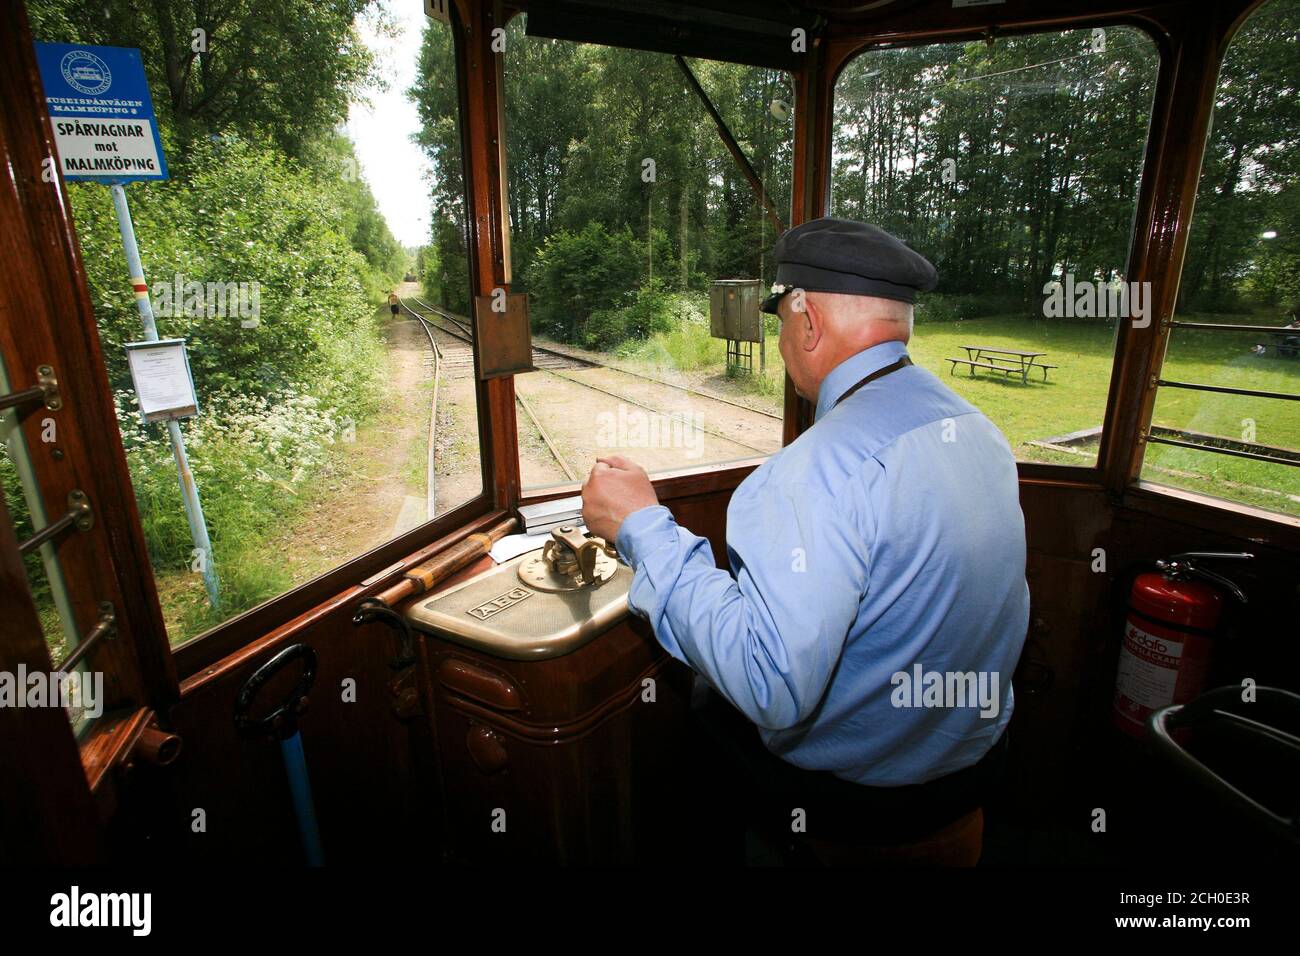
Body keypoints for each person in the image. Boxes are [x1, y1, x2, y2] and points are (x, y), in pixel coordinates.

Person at [581, 217, 1030, 864]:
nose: (783, 340)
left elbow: (772, 686)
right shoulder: (980, 432)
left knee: (707, 709)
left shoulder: (811, 476)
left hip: (853, 819)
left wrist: (641, 528)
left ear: (808, 324)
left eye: (781, 322)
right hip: (965, 792)